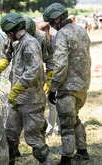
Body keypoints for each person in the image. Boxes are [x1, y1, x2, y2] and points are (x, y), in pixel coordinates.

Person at [0, 12, 53, 165]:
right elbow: (8, 54)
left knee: (34, 139)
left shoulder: (30, 43)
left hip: (32, 100)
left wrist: (18, 88)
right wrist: (1, 65)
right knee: (10, 135)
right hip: (17, 100)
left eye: (7, 33)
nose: (7, 37)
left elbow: (34, 70)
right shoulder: (16, 41)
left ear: (11, 31)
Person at [43, 3, 91, 165]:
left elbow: (61, 65)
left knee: (66, 124)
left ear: (57, 18)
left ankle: (66, 159)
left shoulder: (62, 35)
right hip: (83, 85)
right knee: (74, 118)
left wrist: (53, 87)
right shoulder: (81, 30)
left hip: (67, 86)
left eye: (51, 22)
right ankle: (83, 151)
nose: (51, 25)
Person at [26, 18, 60, 136]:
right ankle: (48, 126)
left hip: (52, 72)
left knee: (53, 99)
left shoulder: (50, 38)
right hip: (33, 75)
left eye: (47, 29)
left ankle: (53, 127)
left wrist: (50, 78)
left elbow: (51, 60)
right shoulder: (22, 38)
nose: (46, 32)